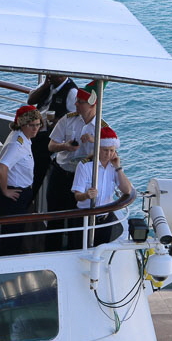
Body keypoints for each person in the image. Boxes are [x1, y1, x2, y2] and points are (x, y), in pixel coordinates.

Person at [45, 81, 104, 250]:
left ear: (92, 104)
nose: (76, 104)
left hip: (82, 180)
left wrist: (94, 142)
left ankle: (74, 255)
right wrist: (65, 146)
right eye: (77, 101)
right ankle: (51, 254)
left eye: (80, 102)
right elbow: (51, 146)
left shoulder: (101, 129)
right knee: (54, 218)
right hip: (61, 174)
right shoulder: (68, 119)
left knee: (77, 223)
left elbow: (111, 152)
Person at [70, 126, 133, 248]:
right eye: (105, 150)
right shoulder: (85, 166)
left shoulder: (113, 166)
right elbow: (77, 196)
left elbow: (127, 190)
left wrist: (118, 168)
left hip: (105, 218)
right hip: (85, 218)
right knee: (79, 250)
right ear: (97, 148)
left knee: (101, 252)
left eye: (112, 150)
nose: (108, 154)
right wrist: (86, 195)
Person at [0, 105, 43, 256]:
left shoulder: (23, 137)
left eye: (38, 124)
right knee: (11, 240)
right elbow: (1, 168)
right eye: (31, 125)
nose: (35, 129)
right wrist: (5, 191)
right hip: (14, 197)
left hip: (20, 194)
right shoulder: (17, 144)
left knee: (14, 237)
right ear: (22, 124)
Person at [26, 74, 77, 200]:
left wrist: (58, 121)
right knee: (25, 166)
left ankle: (27, 201)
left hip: (47, 136)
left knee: (36, 172)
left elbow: (74, 117)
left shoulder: (71, 92)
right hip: (34, 131)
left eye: (51, 74)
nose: (48, 75)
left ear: (61, 76)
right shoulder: (48, 84)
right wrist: (44, 86)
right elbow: (31, 100)